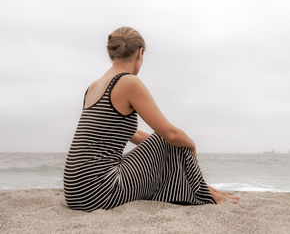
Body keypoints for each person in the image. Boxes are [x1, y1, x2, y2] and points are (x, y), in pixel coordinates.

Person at [63, 26, 240, 211]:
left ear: (113, 54)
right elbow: (170, 134)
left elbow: (133, 134)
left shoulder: (94, 86)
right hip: (99, 193)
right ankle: (206, 194)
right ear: (140, 53)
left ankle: (205, 190)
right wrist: (191, 145)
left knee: (173, 141)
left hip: (75, 192)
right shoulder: (128, 82)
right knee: (176, 137)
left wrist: (172, 149)